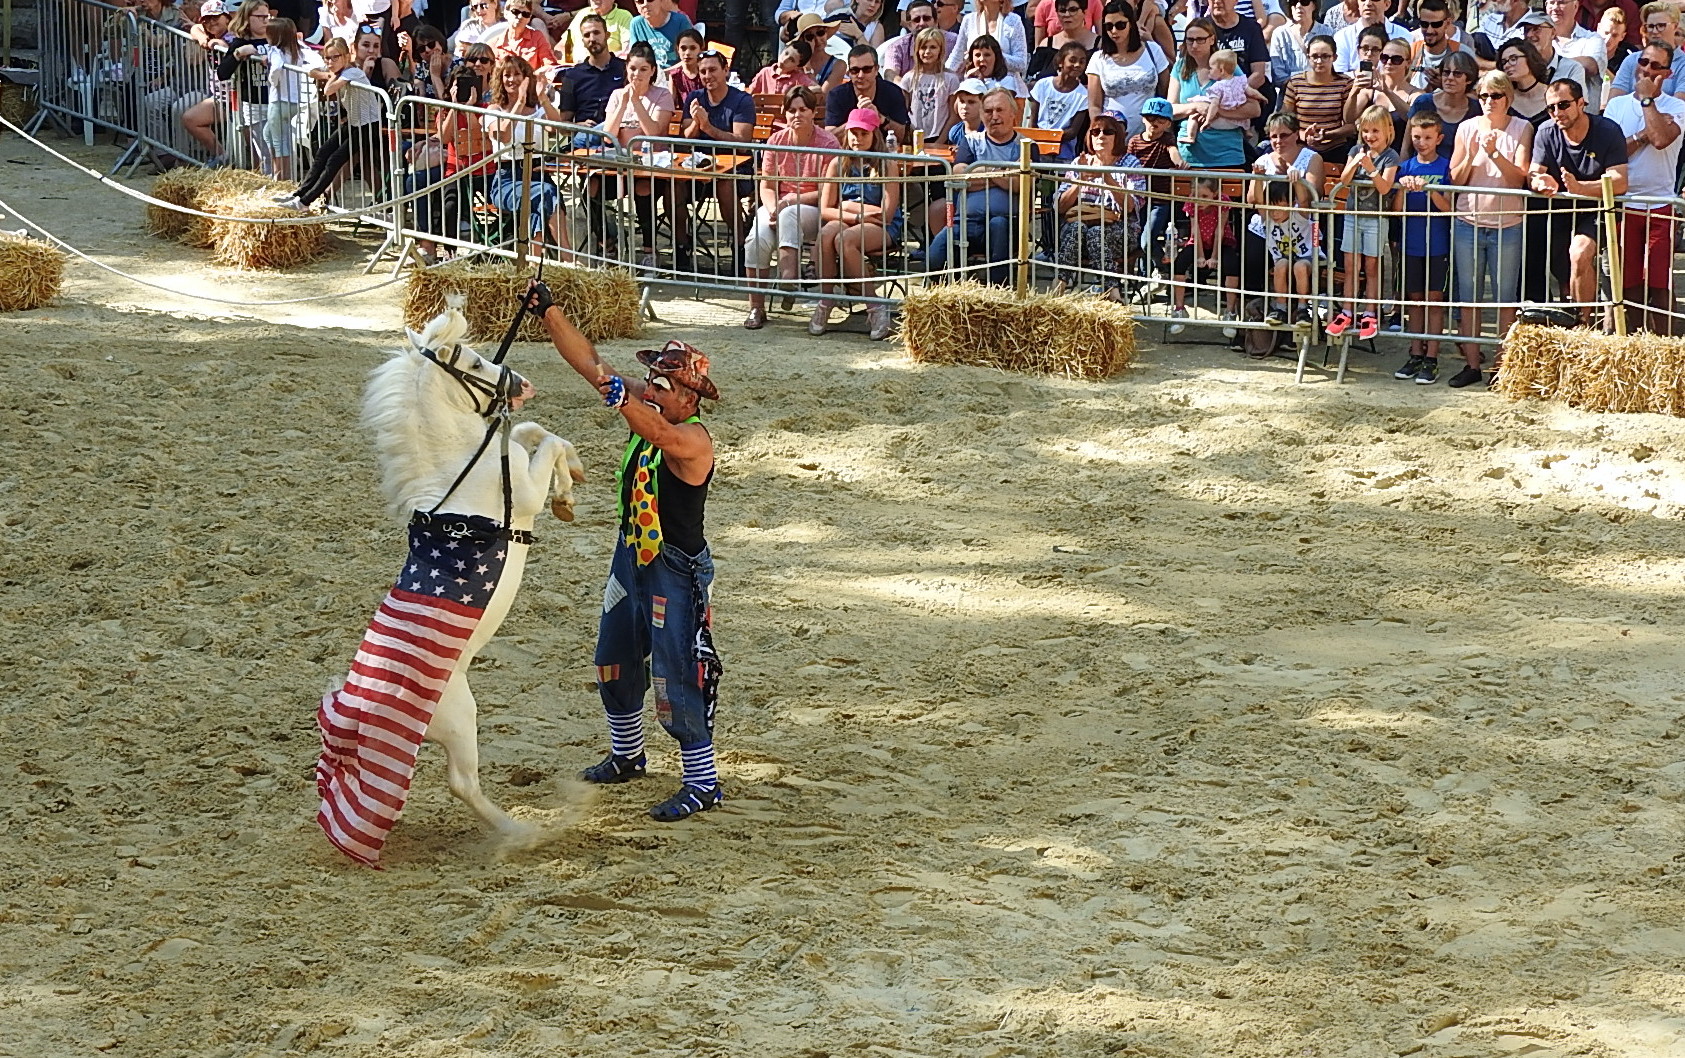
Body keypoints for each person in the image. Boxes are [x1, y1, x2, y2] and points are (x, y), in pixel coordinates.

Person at [523, 286, 725, 823]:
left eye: (666, 385)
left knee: (677, 669)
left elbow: (652, 428)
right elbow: (593, 365)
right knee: (613, 653)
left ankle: (703, 782)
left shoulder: (693, 438)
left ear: (690, 398)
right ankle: (627, 754)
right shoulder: (658, 402)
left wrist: (622, 396)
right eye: (653, 381)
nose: (654, 389)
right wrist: (550, 311)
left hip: (675, 568)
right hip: (634, 552)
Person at [1447, 70, 1533, 388]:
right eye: (1483, 96)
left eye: (1495, 96)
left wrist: (1495, 153)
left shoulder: (1523, 128)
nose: (1488, 102)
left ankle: (1502, 366)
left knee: (1504, 298)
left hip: (1507, 225)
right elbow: (1455, 179)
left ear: (1507, 98)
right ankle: (1472, 365)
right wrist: (1473, 153)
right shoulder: (1467, 128)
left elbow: (1518, 179)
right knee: (1469, 298)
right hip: (1468, 223)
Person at [1529, 78, 1628, 316]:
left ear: (1582, 103)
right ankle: (1572, 314)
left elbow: (1621, 182)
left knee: (1580, 252)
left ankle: (1582, 324)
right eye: (1550, 108)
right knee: (1563, 266)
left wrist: (1581, 188)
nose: (1556, 112)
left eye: (1563, 105)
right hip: (1561, 211)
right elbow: (1533, 172)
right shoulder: (1546, 131)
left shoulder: (1607, 131)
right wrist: (1540, 181)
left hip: (1599, 210)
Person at [744, 85, 841, 328]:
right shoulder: (776, 140)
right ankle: (756, 307)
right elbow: (766, 185)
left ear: (812, 112)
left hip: (814, 206)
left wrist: (789, 202)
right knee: (758, 236)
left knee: (790, 214)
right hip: (780, 203)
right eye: (792, 110)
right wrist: (772, 208)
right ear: (785, 114)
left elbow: (828, 190)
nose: (797, 115)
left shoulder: (828, 143)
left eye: (803, 109)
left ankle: (789, 277)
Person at [1606, 40, 1684, 329]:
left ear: (1668, 73)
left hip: (1661, 204)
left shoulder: (1677, 107)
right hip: (1625, 204)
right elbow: (1612, 154)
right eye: (1643, 62)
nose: (1646, 70)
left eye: (1655, 65)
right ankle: (1637, 343)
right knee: (1628, 285)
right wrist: (1642, 136)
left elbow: (1662, 139)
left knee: (1660, 284)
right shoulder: (1616, 105)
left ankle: (1667, 348)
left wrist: (1648, 101)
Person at [812, 108, 903, 338]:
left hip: (883, 227)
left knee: (846, 240)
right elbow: (825, 209)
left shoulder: (887, 164)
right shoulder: (838, 163)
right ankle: (826, 300)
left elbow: (886, 214)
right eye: (853, 132)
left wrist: (847, 206)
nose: (857, 138)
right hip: (852, 220)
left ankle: (874, 306)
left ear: (875, 134)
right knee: (825, 235)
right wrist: (856, 214)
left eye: (863, 133)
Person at [927, 88, 1031, 284]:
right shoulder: (971, 141)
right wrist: (1000, 174)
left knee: (999, 227)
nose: (994, 116)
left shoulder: (1025, 145)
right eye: (989, 111)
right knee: (934, 257)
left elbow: (1019, 184)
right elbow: (959, 176)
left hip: (1005, 221)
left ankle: (999, 296)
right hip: (965, 220)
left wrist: (981, 170)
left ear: (1013, 113)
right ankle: (952, 297)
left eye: (1000, 110)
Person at [279, 35, 388, 209]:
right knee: (323, 152)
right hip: (354, 122)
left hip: (368, 125)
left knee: (334, 161)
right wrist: (328, 72)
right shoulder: (338, 71)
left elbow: (329, 90)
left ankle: (306, 202)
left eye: (335, 57)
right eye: (327, 58)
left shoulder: (352, 72)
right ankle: (299, 193)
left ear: (346, 57)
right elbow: (311, 71)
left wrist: (330, 75)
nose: (330, 62)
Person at [481, 54, 575, 256]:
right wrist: (519, 102)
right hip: (508, 179)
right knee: (546, 193)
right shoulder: (494, 110)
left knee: (541, 202)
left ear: (526, 78)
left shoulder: (537, 111)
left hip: (537, 173)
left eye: (517, 74)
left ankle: (534, 263)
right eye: (507, 75)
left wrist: (542, 99)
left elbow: (557, 129)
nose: (512, 79)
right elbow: (502, 136)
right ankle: (568, 257)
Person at [1326, 104, 1398, 339]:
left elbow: (1385, 187)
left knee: (1372, 267)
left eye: (1375, 131)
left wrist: (1371, 170)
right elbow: (1344, 182)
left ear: (1387, 130)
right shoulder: (1356, 149)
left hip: (1375, 219)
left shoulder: (1391, 156)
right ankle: (1347, 310)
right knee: (1350, 266)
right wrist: (1355, 163)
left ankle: (1370, 311)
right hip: (1352, 217)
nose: (1370, 137)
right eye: (1366, 131)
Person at [1392, 110, 1453, 383]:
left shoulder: (1446, 167)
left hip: (1438, 244)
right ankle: (1415, 353)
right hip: (1410, 243)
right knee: (1414, 302)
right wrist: (1404, 190)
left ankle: (1432, 357)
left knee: (1434, 302)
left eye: (1427, 137)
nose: (1421, 142)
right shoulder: (1405, 168)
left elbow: (1449, 208)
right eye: (1417, 137)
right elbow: (1394, 210)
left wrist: (1428, 189)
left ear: (1438, 138)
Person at [682, 49, 757, 264]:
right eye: (703, 71)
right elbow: (686, 136)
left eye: (713, 70)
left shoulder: (742, 100)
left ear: (726, 70)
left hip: (738, 168)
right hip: (700, 167)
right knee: (672, 185)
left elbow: (742, 144)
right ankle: (682, 247)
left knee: (724, 183)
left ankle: (740, 245)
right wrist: (697, 123)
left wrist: (707, 126)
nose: (708, 76)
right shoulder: (695, 98)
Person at [1053, 114, 1132, 298]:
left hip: (1118, 228)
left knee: (1096, 232)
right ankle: (1112, 293)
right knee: (1079, 228)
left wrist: (1106, 176)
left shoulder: (1130, 164)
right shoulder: (1078, 163)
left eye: (1108, 132)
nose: (1101, 136)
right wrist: (1079, 181)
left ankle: (1058, 289)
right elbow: (1060, 207)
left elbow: (1129, 208)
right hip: (1078, 227)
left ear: (1117, 137)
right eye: (1095, 132)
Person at [1170, 17, 1260, 166]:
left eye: (1200, 40)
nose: (1194, 45)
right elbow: (1170, 108)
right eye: (1190, 40)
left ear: (1212, 40)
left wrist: (1217, 111)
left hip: (1227, 151)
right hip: (1190, 154)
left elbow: (1254, 109)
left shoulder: (1228, 66)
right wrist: (1195, 106)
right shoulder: (1180, 67)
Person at [1166, 177, 1240, 334]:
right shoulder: (1192, 202)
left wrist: (1214, 256)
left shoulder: (1223, 201)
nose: (1200, 200)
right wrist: (1200, 255)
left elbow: (1220, 229)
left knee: (1232, 265)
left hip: (1221, 242)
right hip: (1198, 242)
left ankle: (1230, 312)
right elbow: (1195, 229)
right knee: (1179, 264)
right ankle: (1179, 309)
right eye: (1196, 195)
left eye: (1205, 197)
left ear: (1215, 194)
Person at [1086, 0, 1171, 134]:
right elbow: (1095, 106)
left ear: (1131, 24)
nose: (1114, 31)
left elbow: (1166, 93)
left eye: (1120, 25)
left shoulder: (1153, 51)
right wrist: (1099, 132)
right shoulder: (1098, 59)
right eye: (1109, 26)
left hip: (1150, 135)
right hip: (1112, 136)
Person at [1126, 94, 1183, 273]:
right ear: (1143, 119)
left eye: (1160, 119)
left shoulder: (1167, 139)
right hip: (1139, 199)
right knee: (1139, 239)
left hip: (1159, 200)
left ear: (1168, 123)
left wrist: (1179, 162)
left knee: (1147, 239)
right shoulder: (1134, 141)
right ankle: (1146, 276)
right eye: (1150, 118)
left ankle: (1164, 270)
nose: (1154, 123)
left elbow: (1173, 152)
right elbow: (1128, 163)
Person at [219, 0, 276, 171]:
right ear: (247, 18)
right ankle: (271, 188)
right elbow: (222, 73)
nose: (265, 21)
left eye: (267, 16)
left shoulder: (277, 40)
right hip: (255, 104)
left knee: (281, 150)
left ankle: (283, 185)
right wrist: (239, 54)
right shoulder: (239, 43)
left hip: (278, 101)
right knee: (265, 151)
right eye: (260, 17)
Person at [263, 17, 319, 181]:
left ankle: (282, 178)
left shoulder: (276, 51)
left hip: (278, 101)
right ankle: (280, 175)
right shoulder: (297, 51)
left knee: (279, 142)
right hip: (294, 101)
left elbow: (277, 66)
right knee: (269, 134)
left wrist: (273, 80)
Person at [1284, 31, 1354, 163]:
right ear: (1308, 57)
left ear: (1334, 57)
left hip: (1336, 149)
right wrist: (1304, 135)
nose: (1319, 61)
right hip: (1301, 148)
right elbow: (1286, 119)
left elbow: (1351, 125)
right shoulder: (1295, 82)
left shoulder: (1345, 83)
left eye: (1325, 56)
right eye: (1315, 56)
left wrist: (1326, 135)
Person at [1258, 175, 1317, 330]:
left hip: (1306, 257)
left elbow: (1303, 200)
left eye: (1281, 207)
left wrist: (1296, 180)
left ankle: (1303, 309)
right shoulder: (1268, 217)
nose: (1275, 213)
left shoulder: (1299, 215)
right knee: (1281, 265)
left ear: (1291, 204)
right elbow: (1259, 201)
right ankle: (1280, 308)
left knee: (1300, 267)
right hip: (1283, 257)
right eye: (1272, 207)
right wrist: (1257, 177)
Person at [555, 13, 628, 134]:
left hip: (620, 138)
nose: (592, 39)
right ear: (583, 41)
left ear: (607, 35)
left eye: (596, 33)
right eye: (587, 35)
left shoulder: (626, 69)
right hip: (585, 141)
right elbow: (563, 125)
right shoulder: (571, 76)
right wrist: (579, 126)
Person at [1344, 32, 1415, 150]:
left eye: (1396, 59)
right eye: (1385, 58)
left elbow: (1412, 119)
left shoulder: (1414, 94)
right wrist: (1354, 91)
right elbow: (1349, 118)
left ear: (1408, 63)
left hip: (1398, 156)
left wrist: (1387, 92)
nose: (1388, 62)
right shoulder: (1371, 89)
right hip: (1368, 155)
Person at [827, 43, 912, 138]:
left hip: (884, 150)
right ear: (849, 73)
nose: (860, 75)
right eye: (855, 70)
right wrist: (856, 119)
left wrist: (880, 119)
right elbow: (830, 137)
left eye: (866, 69)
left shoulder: (892, 92)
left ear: (876, 70)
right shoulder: (837, 95)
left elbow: (903, 135)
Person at [1606, 0, 1685, 100]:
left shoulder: (1683, 64)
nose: (1655, 31)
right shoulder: (1632, 60)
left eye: (1661, 26)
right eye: (1650, 26)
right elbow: (1614, 101)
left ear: (1675, 26)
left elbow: (1680, 108)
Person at [1179, 48, 1259, 144]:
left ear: (1221, 70)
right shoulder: (1240, 81)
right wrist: (1262, 97)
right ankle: (1247, 130)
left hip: (1221, 124)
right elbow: (1252, 93)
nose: (1209, 71)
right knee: (1243, 106)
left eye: (1211, 69)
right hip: (1237, 122)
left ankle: (1190, 137)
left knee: (1194, 116)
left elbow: (1214, 104)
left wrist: (1208, 119)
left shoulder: (1218, 86)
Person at [1408, 48, 1478, 143]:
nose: (1450, 78)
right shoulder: (1423, 102)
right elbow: (1407, 144)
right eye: (1446, 72)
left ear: (1469, 79)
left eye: (1457, 74)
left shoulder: (1477, 110)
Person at [900, 27, 960, 136]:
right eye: (923, 47)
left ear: (940, 50)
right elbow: (903, 113)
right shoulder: (909, 78)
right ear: (917, 50)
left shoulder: (950, 79)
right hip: (914, 137)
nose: (927, 52)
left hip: (939, 137)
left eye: (933, 47)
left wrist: (940, 141)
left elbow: (954, 116)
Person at [947, 0, 1028, 75]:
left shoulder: (1013, 20)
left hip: (1004, 82)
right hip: (974, 80)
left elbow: (1021, 63)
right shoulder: (969, 20)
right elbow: (957, 56)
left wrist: (994, 56)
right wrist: (944, 75)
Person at [881, 0, 958, 79]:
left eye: (926, 18)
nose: (921, 23)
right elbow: (890, 74)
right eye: (916, 20)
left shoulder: (955, 42)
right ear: (909, 25)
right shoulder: (897, 47)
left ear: (935, 22)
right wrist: (904, 88)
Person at [1031, 42, 1093, 138]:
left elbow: (1072, 132)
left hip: (1063, 143)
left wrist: (1050, 139)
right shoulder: (1042, 85)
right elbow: (1033, 122)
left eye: (1082, 62)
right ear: (1061, 62)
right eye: (1072, 60)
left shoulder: (1083, 96)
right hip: (1036, 138)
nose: (1077, 65)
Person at [488, 0, 557, 78]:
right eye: (515, 12)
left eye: (525, 14)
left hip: (530, 86)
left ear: (529, 18)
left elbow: (550, 65)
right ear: (505, 13)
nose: (520, 17)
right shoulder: (493, 44)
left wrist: (531, 77)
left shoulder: (537, 37)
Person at [1030, 0, 1097, 81]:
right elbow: (1032, 79)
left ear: (1084, 12)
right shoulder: (1046, 45)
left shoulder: (1099, 45)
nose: (1067, 15)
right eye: (1062, 11)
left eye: (1073, 10)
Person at [1334, 0, 1408, 73]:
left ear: (1387, 4)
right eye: (1363, 0)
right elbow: (1339, 74)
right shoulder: (1342, 36)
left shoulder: (1405, 36)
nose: (1368, 3)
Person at [1406, 0, 1463, 90]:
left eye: (1436, 24)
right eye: (1424, 24)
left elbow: (1472, 95)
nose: (1429, 30)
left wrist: (1447, 85)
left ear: (1447, 23)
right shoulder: (1410, 51)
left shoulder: (1461, 52)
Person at [1270, 0, 1330, 85]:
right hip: (1290, 93)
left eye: (1304, 2)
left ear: (1314, 6)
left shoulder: (1328, 33)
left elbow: (1333, 70)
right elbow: (1278, 75)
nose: (1298, 6)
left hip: (1322, 91)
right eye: (1293, 2)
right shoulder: (1279, 34)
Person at [629, 0, 694, 68]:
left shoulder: (680, 21)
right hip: (649, 76)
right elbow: (634, 57)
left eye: (650, 0)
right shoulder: (636, 24)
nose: (645, 4)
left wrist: (666, 73)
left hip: (675, 74)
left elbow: (691, 56)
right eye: (640, 1)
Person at [562, 0, 631, 58]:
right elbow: (562, 45)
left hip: (606, 68)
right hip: (576, 67)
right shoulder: (583, 13)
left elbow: (627, 52)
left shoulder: (624, 16)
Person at [750, 39, 820, 95]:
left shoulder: (798, 78)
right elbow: (750, 92)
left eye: (792, 60)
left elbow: (818, 89)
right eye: (786, 53)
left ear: (797, 67)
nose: (785, 59)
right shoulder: (765, 72)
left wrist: (799, 92)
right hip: (764, 112)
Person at [666, 28, 706, 102]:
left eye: (693, 48)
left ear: (701, 49)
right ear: (678, 50)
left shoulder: (706, 73)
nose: (687, 53)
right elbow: (670, 104)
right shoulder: (675, 75)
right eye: (683, 48)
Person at [1600, 4, 1639, 73]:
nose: (1608, 39)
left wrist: (1598, 66)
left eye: (1614, 35)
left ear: (1622, 36)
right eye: (1606, 33)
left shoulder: (1630, 56)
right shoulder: (1583, 48)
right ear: (1598, 28)